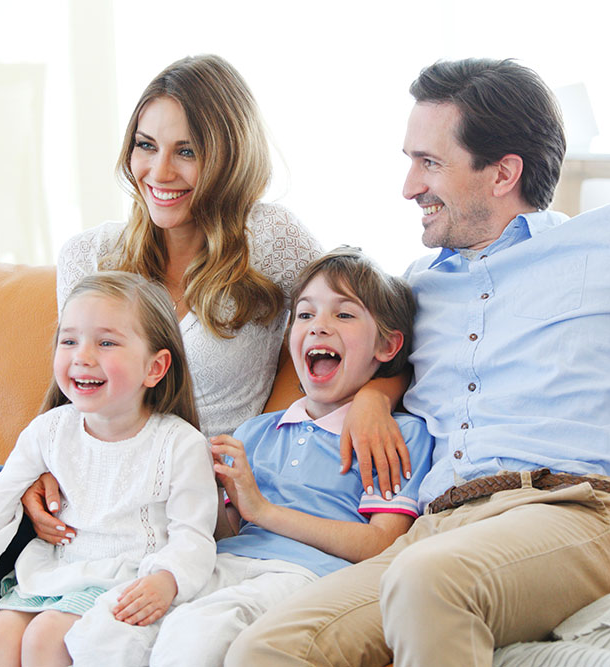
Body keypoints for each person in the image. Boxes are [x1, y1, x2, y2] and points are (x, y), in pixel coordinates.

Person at [0, 54, 405, 667]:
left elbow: (363, 318)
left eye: (187, 151)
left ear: (227, 157)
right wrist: (42, 474)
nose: (159, 170)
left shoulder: (269, 239)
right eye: (146, 145)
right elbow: (73, 389)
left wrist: (375, 397)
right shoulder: (90, 254)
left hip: (186, 493)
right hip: (94, 479)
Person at [225, 58, 610, 666]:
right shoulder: (418, 287)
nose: (408, 187)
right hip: (437, 529)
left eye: (429, 163)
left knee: (431, 582)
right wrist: (376, 395)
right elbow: (376, 353)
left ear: (504, 172)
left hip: (578, 513)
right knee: (267, 648)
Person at [0, 272, 217, 666]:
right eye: (69, 341)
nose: (83, 356)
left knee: (46, 638)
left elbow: (194, 535)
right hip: (56, 574)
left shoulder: (180, 444)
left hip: (131, 581)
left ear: (155, 368)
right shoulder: (51, 430)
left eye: (106, 342)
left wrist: (168, 579)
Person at [147, 247, 434, 666]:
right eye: (305, 315)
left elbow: (382, 545)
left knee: (199, 634)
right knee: (123, 624)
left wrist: (262, 510)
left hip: (305, 577)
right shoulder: (256, 431)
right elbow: (231, 531)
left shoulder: (397, 435)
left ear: (387, 346)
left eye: (344, 314)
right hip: (226, 565)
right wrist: (204, 489)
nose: (319, 327)